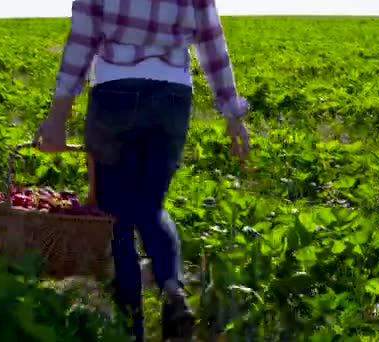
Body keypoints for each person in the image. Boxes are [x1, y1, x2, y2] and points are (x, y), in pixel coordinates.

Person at [36, 0, 250, 340]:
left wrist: (58, 115)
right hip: (172, 96)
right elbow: (211, 39)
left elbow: (82, 39)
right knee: (151, 205)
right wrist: (232, 114)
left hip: (115, 92)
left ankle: (132, 328)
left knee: (115, 217)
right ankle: (172, 289)